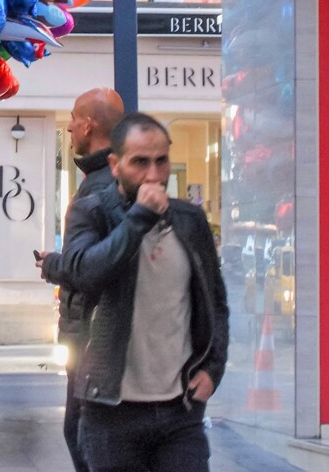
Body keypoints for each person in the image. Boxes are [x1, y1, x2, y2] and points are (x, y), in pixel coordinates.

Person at [43, 113, 229, 472]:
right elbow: (85, 272)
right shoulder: (91, 212)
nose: (153, 175)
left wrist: (213, 368)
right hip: (110, 412)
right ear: (116, 165)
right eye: (140, 162)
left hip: (181, 409)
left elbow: (215, 302)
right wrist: (140, 217)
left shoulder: (190, 220)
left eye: (161, 161)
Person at [38, 88, 124, 472]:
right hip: (94, 332)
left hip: (92, 334)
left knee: (83, 433)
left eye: (74, 118)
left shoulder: (100, 188)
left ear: (89, 125)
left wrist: (54, 265)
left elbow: (94, 267)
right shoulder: (104, 181)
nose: (70, 126)